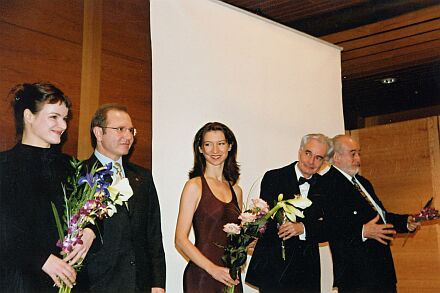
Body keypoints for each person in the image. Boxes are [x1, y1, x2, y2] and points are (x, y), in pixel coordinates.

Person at [0, 82, 92, 291]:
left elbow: (92, 209)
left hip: (70, 280)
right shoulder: (4, 166)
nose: (63, 125)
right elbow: (5, 230)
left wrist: (90, 231)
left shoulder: (72, 167)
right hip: (22, 280)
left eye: (65, 118)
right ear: (28, 116)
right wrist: (41, 259)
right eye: (54, 117)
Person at [82, 104, 166, 292]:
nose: (128, 136)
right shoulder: (80, 175)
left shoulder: (142, 177)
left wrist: (158, 283)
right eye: (120, 129)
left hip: (140, 284)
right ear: (98, 132)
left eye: (130, 130)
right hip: (98, 284)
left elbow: (153, 234)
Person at [321, 134, 420, 293]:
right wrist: (362, 232)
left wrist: (406, 222)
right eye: (353, 153)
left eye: (359, 153)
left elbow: (381, 217)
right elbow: (329, 227)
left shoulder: (362, 182)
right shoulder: (326, 185)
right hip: (357, 276)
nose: (358, 158)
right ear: (337, 157)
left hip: (381, 271)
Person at [246, 133, 331, 293]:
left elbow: (332, 227)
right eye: (308, 153)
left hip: (307, 272)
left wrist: (303, 228)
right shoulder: (273, 177)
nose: (311, 161)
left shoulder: (328, 187)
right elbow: (265, 217)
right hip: (275, 270)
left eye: (318, 157)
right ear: (300, 151)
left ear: (324, 162)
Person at [175, 122, 243, 293]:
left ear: (229, 146)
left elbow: (237, 239)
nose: (215, 150)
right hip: (202, 275)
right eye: (208, 144)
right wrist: (212, 269)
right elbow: (180, 239)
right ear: (200, 149)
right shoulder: (194, 186)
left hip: (230, 276)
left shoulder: (237, 190)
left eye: (220, 144)